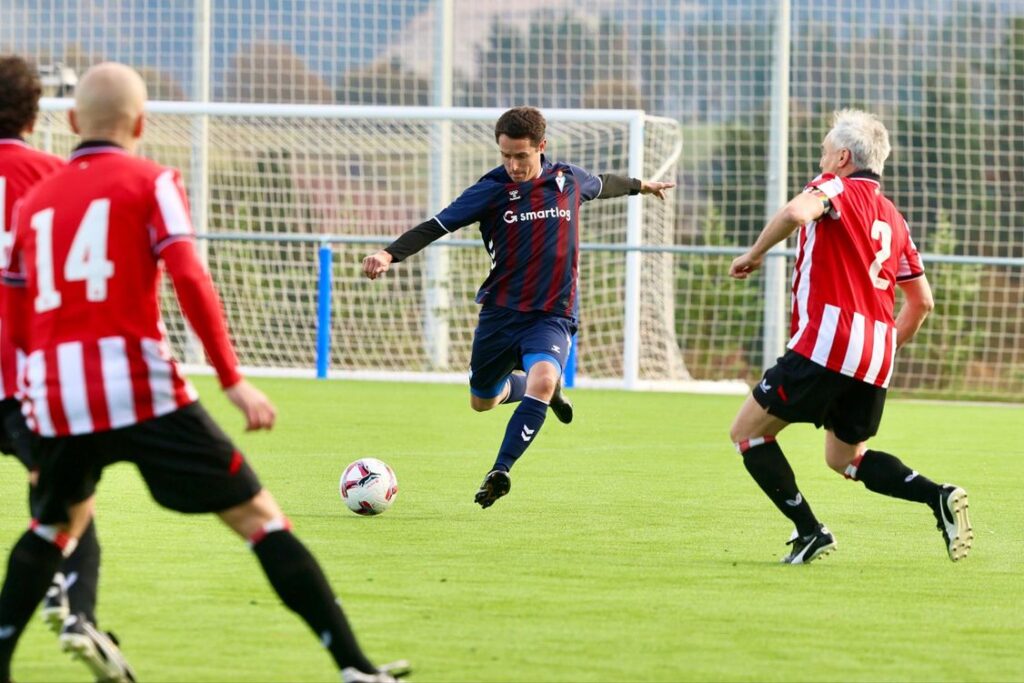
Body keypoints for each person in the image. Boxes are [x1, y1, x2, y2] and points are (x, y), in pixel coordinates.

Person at [0, 62, 407, 683]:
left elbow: (17, 312)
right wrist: (231, 378)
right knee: (260, 520)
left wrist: (42, 384)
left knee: (54, 528)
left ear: (75, 121)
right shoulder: (153, 181)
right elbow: (188, 275)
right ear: (141, 124)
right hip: (143, 391)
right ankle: (354, 668)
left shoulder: (35, 203)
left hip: (61, 397)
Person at [362, 106, 674, 508]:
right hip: (501, 315)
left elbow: (604, 183)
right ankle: (536, 387)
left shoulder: (567, 180)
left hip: (552, 314)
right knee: (482, 401)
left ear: (542, 147)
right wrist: (389, 254)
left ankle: (500, 470)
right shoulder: (491, 189)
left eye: (521, 156)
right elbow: (437, 225)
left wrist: (642, 185)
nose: (513, 165)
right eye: (505, 155)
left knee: (542, 379)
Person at [727, 108, 972, 565]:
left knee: (747, 434)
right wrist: (882, 347)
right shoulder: (895, 219)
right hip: (876, 356)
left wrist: (755, 253)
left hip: (828, 342)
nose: (821, 159)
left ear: (843, 158)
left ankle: (810, 532)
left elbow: (797, 213)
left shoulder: (833, 188)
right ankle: (937, 495)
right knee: (845, 458)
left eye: (824, 151)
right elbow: (922, 303)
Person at [0, 54, 135, 680]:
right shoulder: (54, 179)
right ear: (35, 115)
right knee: (68, 501)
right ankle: (76, 610)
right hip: (21, 374)